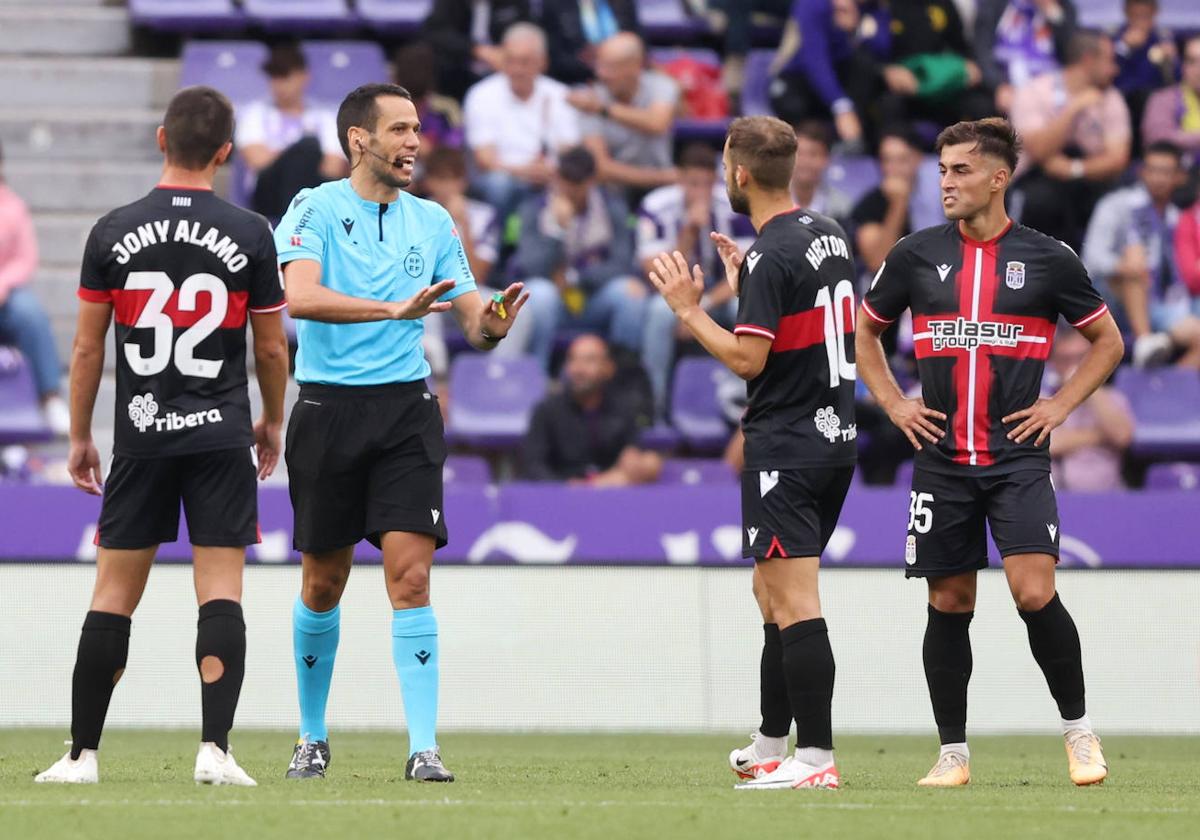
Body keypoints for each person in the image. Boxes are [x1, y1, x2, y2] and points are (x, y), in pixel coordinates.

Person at [857, 117, 1124, 787]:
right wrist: (894, 402)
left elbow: (1109, 342)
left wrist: (1061, 406)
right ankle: (952, 754)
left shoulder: (1049, 258)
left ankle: (1080, 734)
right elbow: (864, 334)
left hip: (1017, 456)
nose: (946, 182)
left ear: (999, 178)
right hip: (941, 457)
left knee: (1033, 592)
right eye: (943, 170)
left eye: (961, 170)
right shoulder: (915, 254)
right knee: (948, 602)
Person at [35, 87, 290, 786]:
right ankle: (215, 751)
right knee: (221, 592)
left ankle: (81, 756)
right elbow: (271, 350)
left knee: (112, 595)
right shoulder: (249, 233)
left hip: (141, 438)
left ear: (160, 140)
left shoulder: (112, 230)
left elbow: (88, 352)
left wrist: (82, 435)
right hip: (219, 436)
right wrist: (272, 421)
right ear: (225, 153)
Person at [274, 83, 528, 783]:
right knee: (323, 582)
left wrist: (491, 326)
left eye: (417, 129)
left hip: (406, 412)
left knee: (410, 578)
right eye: (400, 129)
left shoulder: (434, 221)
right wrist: (390, 310)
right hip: (327, 412)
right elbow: (298, 297)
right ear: (360, 139)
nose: (415, 141)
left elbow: (471, 316)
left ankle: (423, 747)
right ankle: (312, 736)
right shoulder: (314, 207)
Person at [649, 116, 858, 791]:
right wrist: (748, 284)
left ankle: (815, 759)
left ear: (738, 174)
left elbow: (747, 358)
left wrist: (689, 309)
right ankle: (773, 743)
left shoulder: (772, 253)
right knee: (769, 590)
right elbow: (799, 321)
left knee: (794, 599)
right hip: (832, 439)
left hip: (787, 444)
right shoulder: (826, 233)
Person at [639, 143, 755, 419]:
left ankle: (746, 399)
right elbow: (655, 271)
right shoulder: (655, 206)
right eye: (693, 183)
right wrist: (689, 231)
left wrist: (698, 311)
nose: (700, 192)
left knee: (747, 303)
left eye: (706, 184)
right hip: (672, 293)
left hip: (718, 291)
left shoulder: (734, 206)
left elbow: (747, 270)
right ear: (679, 179)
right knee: (657, 312)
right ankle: (654, 406)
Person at [508, 145, 644, 369]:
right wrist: (558, 231)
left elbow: (621, 264)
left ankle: (622, 377)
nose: (569, 190)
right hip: (555, 302)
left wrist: (575, 277)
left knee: (629, 294)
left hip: (593, 298)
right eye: (564, 181)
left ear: (591, 181)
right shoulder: (534, 208)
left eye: (577, 183)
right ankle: (535, 377)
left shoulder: (612, 208)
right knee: (540, 293)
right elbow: (529, 266)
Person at [1010, 30, 1131, 252]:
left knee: (1117, 199)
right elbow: (1038, 151)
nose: (1115, 69)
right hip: (1036, 180)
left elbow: (1118, 158)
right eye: (1109, 61)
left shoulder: (1111, 98)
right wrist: (1073, 109)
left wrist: (1074, 169)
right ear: (1088, 60)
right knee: (1040, 200)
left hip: (1087, 179)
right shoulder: (1034, 91)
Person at [1082, 141, 1199, 368]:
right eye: (1152, 170)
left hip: (1162, 301)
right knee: (1135, 257)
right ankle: (1144, 341)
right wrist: (1124, 266)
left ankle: (1166, 390)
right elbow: (1092, 258)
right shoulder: (1116, 205)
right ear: (1141, 172)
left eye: (1165, 172)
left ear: (1179, 177)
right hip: (1109, 297)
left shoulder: (1177, 218)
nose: (1158, 178)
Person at [462, 22, 582, 219]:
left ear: (542, 62)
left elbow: (570, 151)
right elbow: (485, 160)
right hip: (505, 177)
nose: (517, 69)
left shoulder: (560, 95)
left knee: (577, 183)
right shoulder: (481, 94)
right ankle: (496, 247)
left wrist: (550, 170)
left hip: (551, 177)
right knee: (498, 184)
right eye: (511, 61)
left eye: (525, 62)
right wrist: (526, 171)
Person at [521, 333, 661, 484]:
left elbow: (631, 449)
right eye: (572, 360)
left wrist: (633, 458)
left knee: (651, 462)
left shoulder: (624, 408)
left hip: (611, 492)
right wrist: (569, 486)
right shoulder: (546, 410)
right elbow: (534, 466)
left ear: (608, 368)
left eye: (589, 361)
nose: (578, 369)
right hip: (561, 495)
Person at [0, 140, 68, 435]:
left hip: (4, 301)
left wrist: (2, 284)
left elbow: (25, 259)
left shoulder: (13, 207)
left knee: (30, 314)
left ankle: (49, 397)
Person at [235, 43, 347, 221]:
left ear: (304, 77)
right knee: (307, 148)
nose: (278, 85)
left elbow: (334, 169)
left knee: (308, 148)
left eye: (285, 76)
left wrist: (288, 154)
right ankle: (297, 224)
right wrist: (298, 153)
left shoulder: (326, 118)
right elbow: (259, 162)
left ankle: (295, 222)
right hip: (268, 193)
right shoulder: (254, 114)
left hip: (315, 190)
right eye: (273, 78)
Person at [569, 32, 681, 199]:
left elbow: (657, 123)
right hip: (614, 191)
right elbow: (600, 168)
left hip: (662, 190)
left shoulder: (661, 85)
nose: (602, 74)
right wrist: (661, 177)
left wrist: (603, 109)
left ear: (635, 66)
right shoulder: (590, 98)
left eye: (610, 67)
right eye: (599, 65)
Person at [769, 0, 890, 150]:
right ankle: (799, 155)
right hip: (800, 79)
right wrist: (841, 106)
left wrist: (855, 29)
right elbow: (815, 59)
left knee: (879, 93)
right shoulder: (814, 4)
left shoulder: (875, 7)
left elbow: (884, 49)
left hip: (844, 84)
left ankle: (854, 150)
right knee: (792, 105)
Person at [1046, 327, 1134, 492]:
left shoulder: (1112, 398)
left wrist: (1088, 387)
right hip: (1057, 499)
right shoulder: (1042, 398)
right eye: (1066, 359)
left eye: (1081, 359)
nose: (1074, 367)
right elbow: (1049, 445)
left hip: (1105, 498)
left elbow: (1122, 436)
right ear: (1053, 362)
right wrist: (1099, 436)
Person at [973, 0, 1077, 115]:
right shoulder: (996, 4)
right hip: (1005, 82)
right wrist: (998, 85)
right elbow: (982, 50)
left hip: (1050, 87)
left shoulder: (1063, 7)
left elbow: (1071, 53)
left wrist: (1050, 10)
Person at [421, 0, 531, 100]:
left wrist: (509, 52)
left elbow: (528, 29)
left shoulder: (514, 4)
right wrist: (476, 50)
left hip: (503, 71)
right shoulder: (449, 4)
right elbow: (435, 33)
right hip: (457, 72)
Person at [851, 127, 923, 276]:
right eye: (887, 160)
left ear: (918, 159)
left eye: (902, 160)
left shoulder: (939, 194)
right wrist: (898, 204)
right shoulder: (869, 204)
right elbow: (878, 263)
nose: (893, 169)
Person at [1113, 0, 1178, 143]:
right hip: (1125, 100)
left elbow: (1177, 78)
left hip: (1157, 101)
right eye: (1136, 16)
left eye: (1146, 16)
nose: (1141, 22)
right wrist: (1124, 48)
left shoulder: (1163, 38)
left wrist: (1172, 60)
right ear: (1126, 13)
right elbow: (1109, 74)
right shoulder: (1115, 39)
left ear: (1155, 13)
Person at [538, 0, 640, 85]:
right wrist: (593, 66)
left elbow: (639, 44)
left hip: (623, 76)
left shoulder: (623, 2)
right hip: (575, 82)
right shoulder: (555, 4)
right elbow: (553, 58)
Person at [1142, 34, 1200, 155]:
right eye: (1191, 61)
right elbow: (1158, 140)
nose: (1198, 70)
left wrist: (1182, 138)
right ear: (1183, 66)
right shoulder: (1162, 99)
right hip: (1178, 171)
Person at [790, 120, 854, 227]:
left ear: (827, 159)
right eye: (799, 153)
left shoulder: (841, 208)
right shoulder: (770, 203)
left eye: (813, 154)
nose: (805, 162)